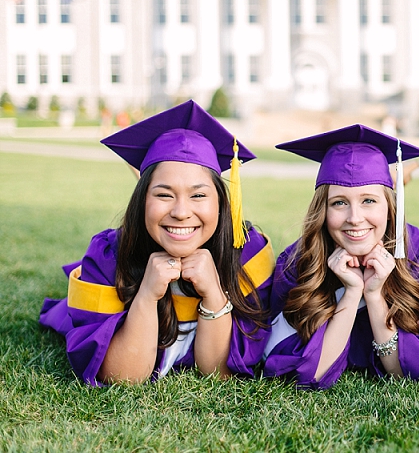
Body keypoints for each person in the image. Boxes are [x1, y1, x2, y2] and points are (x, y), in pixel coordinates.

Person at [39, 100, 274, 386]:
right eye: (164, 195)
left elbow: (217, 373)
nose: (181, 211)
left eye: (198, 195)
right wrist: (148, 293)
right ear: (142, 200)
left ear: (222, 202)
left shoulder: (247, 255)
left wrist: (214, 292)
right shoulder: (109, 256)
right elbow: (124, 377)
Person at [263, 124, 419, 389]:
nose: (355, 218)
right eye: (339, 203)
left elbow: (410, 377)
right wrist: (353, 290)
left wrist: (375, 295)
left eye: (369, 201)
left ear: (389, 206)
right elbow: (311, 375)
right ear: (323, 209)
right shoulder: (298, 261)